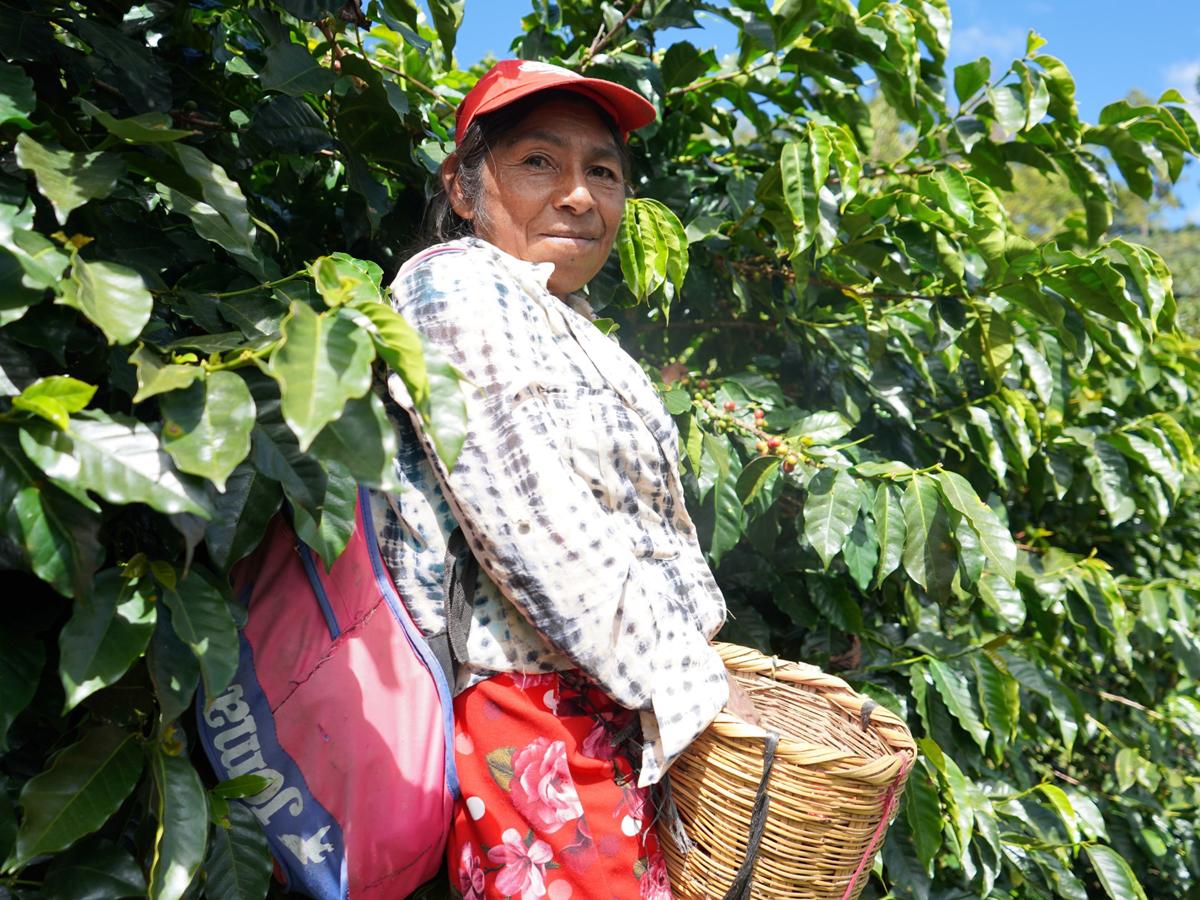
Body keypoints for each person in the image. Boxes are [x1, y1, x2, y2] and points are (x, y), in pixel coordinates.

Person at [373, 59, 728, 900]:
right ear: (463, 188)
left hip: (625, 713)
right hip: (540, 712)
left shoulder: (577, 328)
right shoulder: (452, 283)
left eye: (602, 172)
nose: (578, 195)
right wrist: (696, 687)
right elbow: (535, 527)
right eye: (540, 162)